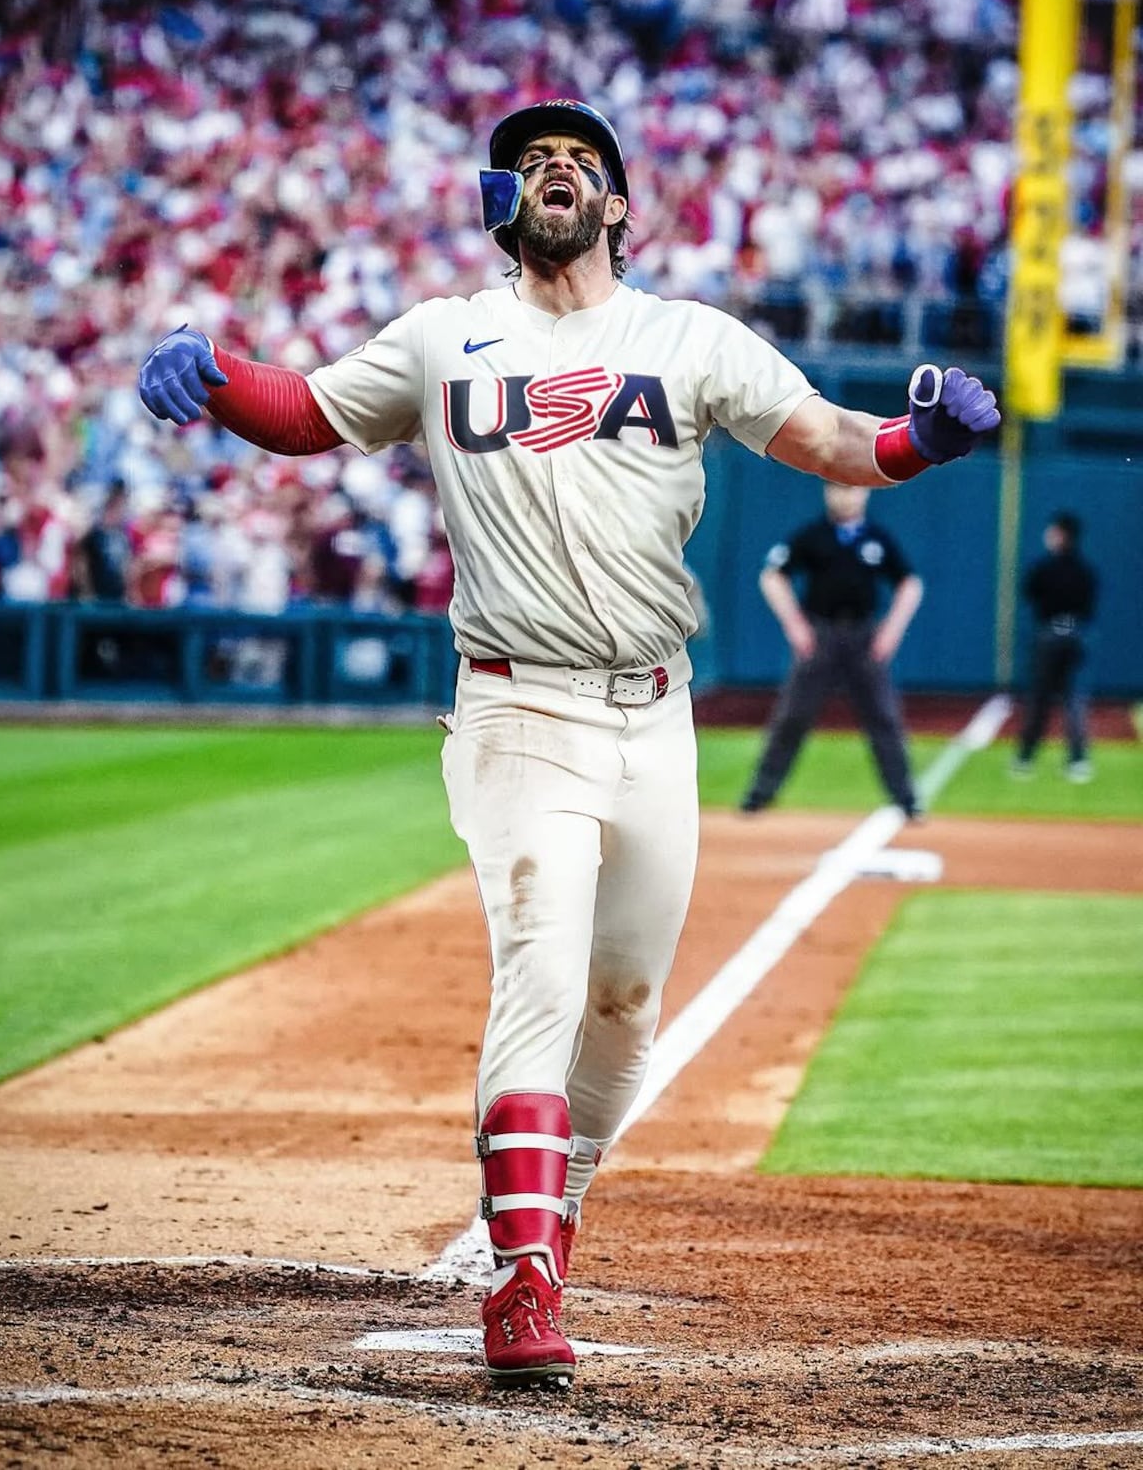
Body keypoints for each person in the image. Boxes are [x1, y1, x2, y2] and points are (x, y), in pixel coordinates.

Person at [137, 99, 1000, 1390]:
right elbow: (310, 411)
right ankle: (524, 1279)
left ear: (617, 204)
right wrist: (211, 373)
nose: (554, 170)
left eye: (577, 162)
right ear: (504, 201)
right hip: (516, 707)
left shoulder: (687, 338)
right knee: (540, 975)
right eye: (530, 160)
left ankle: (556, 1213)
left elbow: (825, 438)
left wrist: (920, 439)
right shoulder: (443, 336)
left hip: (656, 714)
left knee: (626, 1010)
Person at [739, 482, 925, 818]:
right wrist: (794, 624)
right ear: (826, 491)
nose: (846, 495)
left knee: (884, 717)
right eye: (839, 488)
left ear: (866, 493)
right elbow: (772, 576)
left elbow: (910, 583)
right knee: (792, 717)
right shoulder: (813, 535)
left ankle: (906, 798)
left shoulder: (876, 538)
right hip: (820, 635)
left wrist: (891, 631)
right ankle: (760, 793)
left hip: (864, 637)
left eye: (853, 489)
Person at [1011, 511, 1098, 782]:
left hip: (1048, 635)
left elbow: (1029, 592)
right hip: (1075, 635)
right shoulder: (1085, 571)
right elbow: (1088, 607)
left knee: (1040, 697)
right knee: (1073, 699)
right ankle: (1078, 760)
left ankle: (1025, 758)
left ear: (1062, 535)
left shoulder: (1045, 567)